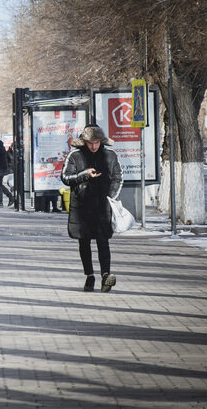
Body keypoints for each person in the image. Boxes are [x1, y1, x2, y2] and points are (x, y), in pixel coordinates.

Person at [61, 124, 123, 293]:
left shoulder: (109, 155)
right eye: (90, 142)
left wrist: (110, 196)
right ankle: (89, 276)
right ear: (84, 141)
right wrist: (84, 175)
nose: (94, 146)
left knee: (103, 242)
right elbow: (65, 177)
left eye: (96, 142)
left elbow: (118, 177)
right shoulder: (75, 156)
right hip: (82, 206)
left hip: (102, 206)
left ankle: (105, 275)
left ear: (101, 141)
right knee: (84, 242)